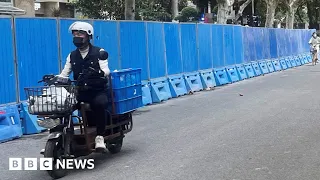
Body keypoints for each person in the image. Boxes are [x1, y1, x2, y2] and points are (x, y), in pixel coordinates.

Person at [57, 21, 110, 151]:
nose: (77, 36)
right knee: (62, 107)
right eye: (75, 33)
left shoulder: (99, 52)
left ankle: (99, 137)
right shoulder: (72, 55)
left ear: (89, 35)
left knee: (99, 104)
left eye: (81, 33)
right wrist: (57, 78)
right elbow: (65, 73)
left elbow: (106, 70)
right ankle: (61, 138)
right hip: (79, 92)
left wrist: (99, 72)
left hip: (97, 91)